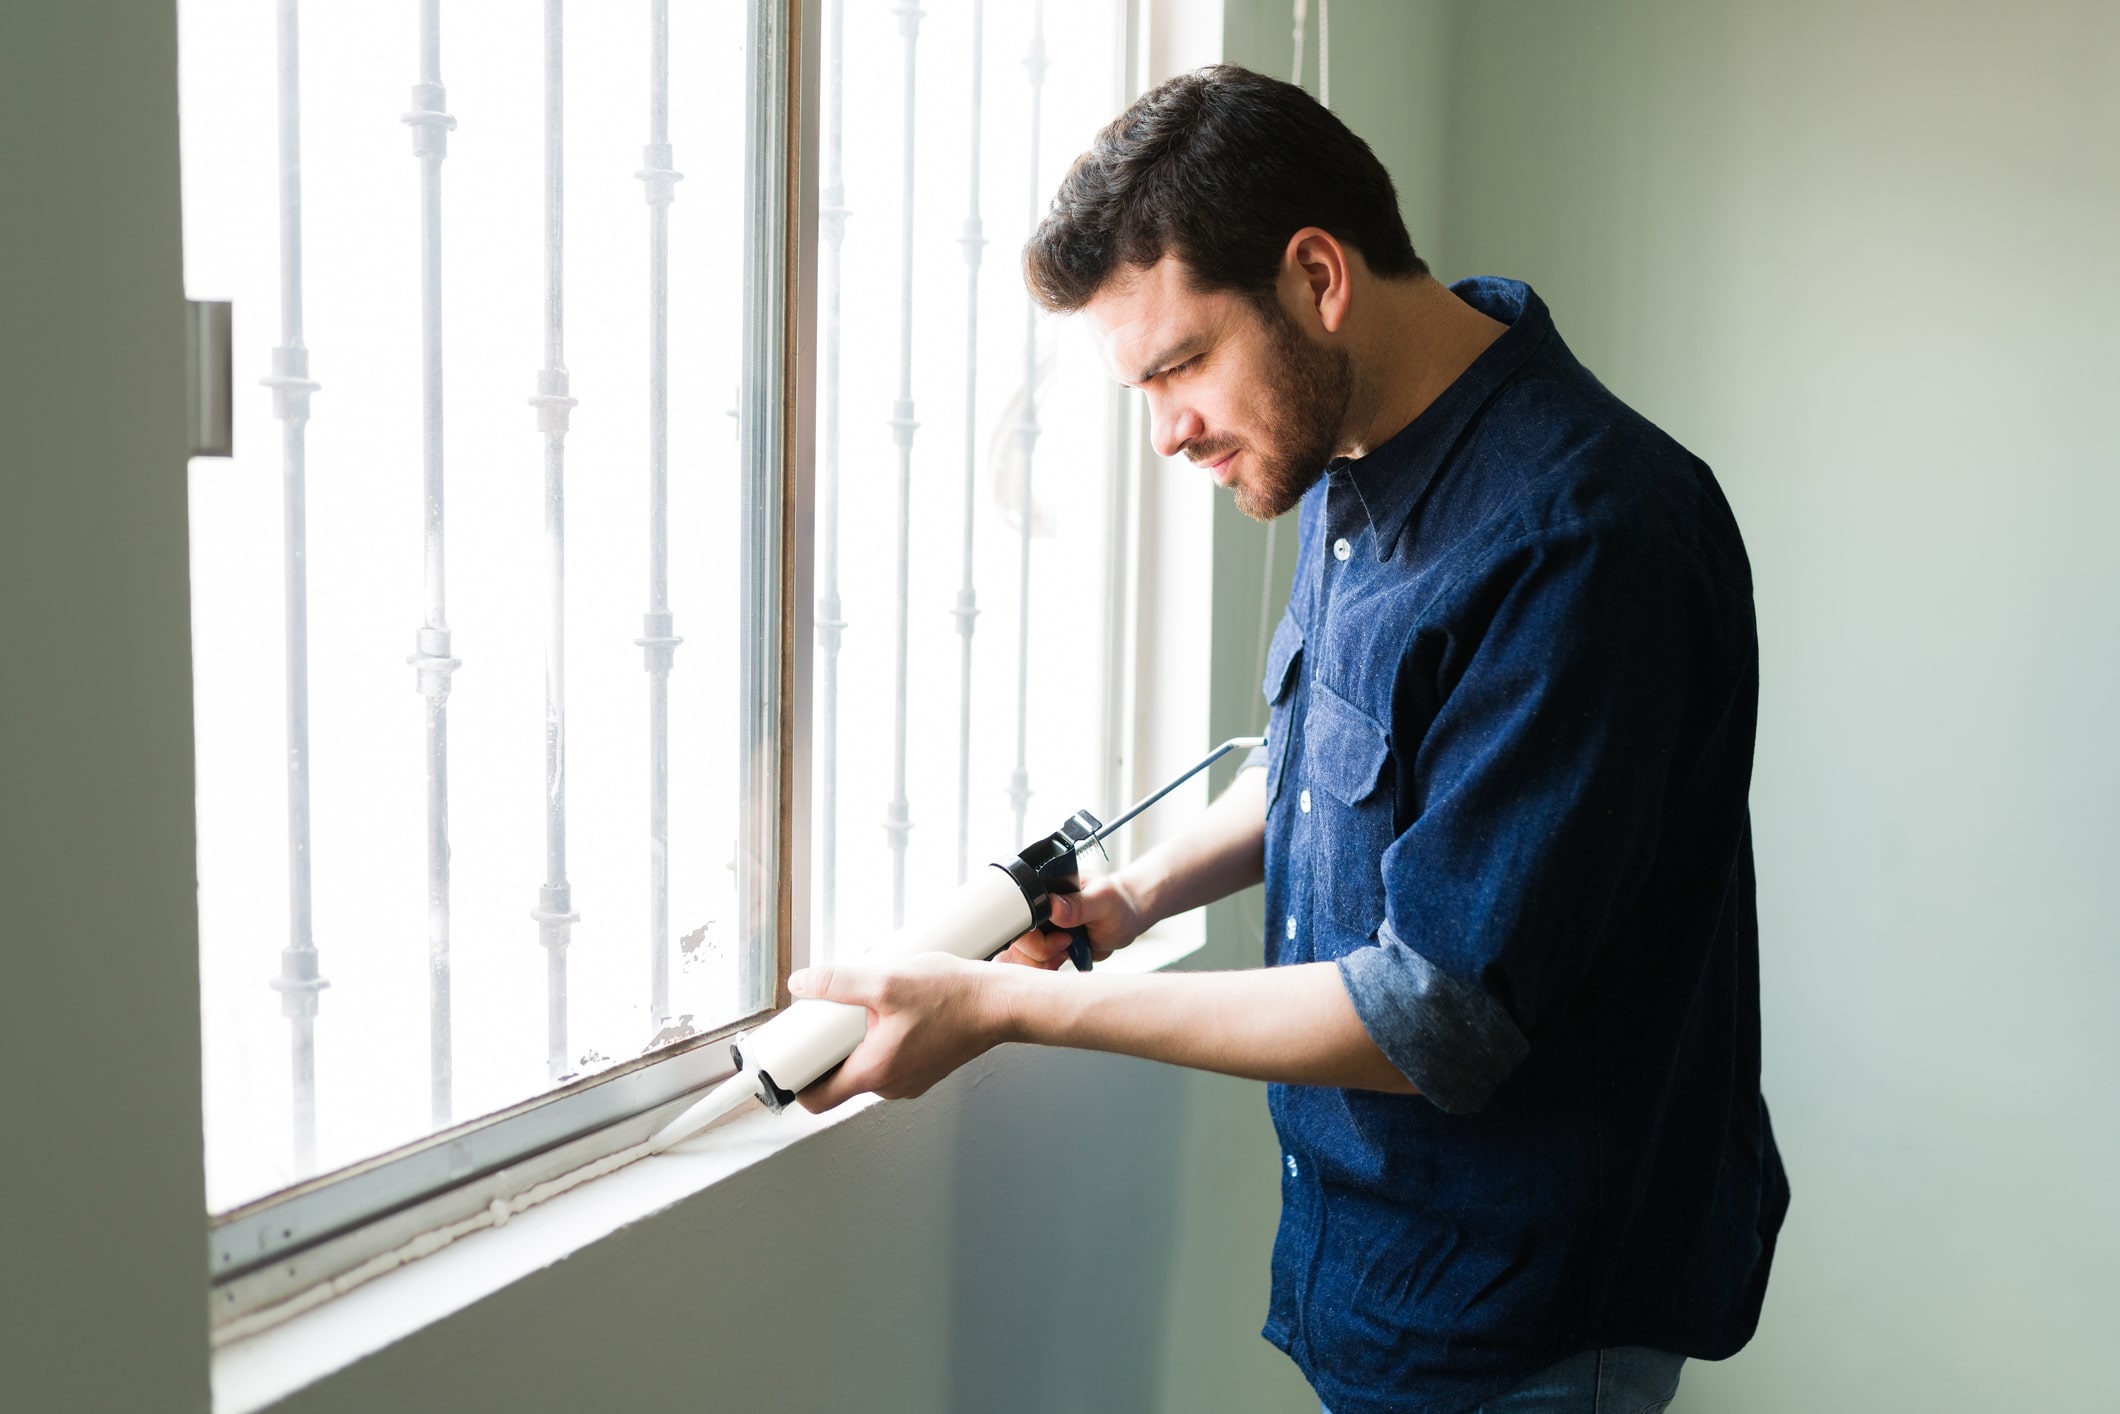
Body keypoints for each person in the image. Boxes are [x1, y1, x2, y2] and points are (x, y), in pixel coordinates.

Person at [787, 65, 1788, 1414]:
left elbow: (1435, 1008)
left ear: (1318, 276)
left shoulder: (1586, 541)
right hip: (1372, 1274)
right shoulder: (1352, 445)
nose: (1165, 432)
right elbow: (1330, 765)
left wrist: (1007, 1008)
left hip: (1530, 1323)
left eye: (1182, 365)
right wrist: (1138, 892)